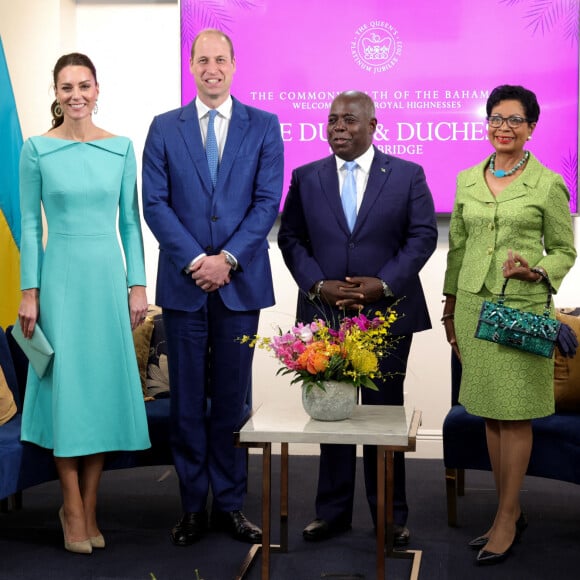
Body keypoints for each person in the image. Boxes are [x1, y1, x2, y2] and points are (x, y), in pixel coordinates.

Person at [142, 29, 284, 547]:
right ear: (191, 66)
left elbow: (267, 203)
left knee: (231, 403)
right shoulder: (163, 128)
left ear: (234, 65)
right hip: (183, 289)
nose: (212, 69)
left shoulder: (264, 126)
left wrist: (226, 259)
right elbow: (154, 204)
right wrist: (196, 261)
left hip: (239, 286)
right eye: (202, 60)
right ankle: (191, 509)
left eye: (220, 60)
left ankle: (229, 506)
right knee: (185, 406)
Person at [278, 90, 437, 546]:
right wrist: (317, 285)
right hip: (325, 310)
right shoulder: (306, 177)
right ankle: (332, 512)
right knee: (332, 413)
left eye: (348, 120)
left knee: (382, 414)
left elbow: (422, 235)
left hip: (387, 313)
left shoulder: (407, 175)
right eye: (331, 120)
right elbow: (291, 239)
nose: (338, 128)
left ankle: (390, 515)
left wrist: (382, 284)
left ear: (372, 125)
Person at [17, 53, 151, 554]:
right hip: (60, 281)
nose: (76, 94)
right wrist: (29, 293)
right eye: (67, 86)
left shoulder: (120, 148)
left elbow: (131, 223)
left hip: (106, 279)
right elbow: (31, 224)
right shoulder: (36, 150)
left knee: (98, 394)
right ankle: (71, 507)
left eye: (85, 85)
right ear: (56, 92)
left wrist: (137, 284)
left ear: (98, 90)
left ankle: (91, 506)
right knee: (68, 392)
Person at [442, 84, 576, 565]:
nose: (504, 127)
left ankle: (505, 517)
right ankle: (509, 509)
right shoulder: (466, 180)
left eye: (514, 120)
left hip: (521, 310)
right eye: (496, 118)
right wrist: (449, 307)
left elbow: (565, 249)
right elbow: (457, 246)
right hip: (474, 308)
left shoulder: (548, 183)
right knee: (491, 412)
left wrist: (536, 270)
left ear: (532, 127)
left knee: (516, 412)